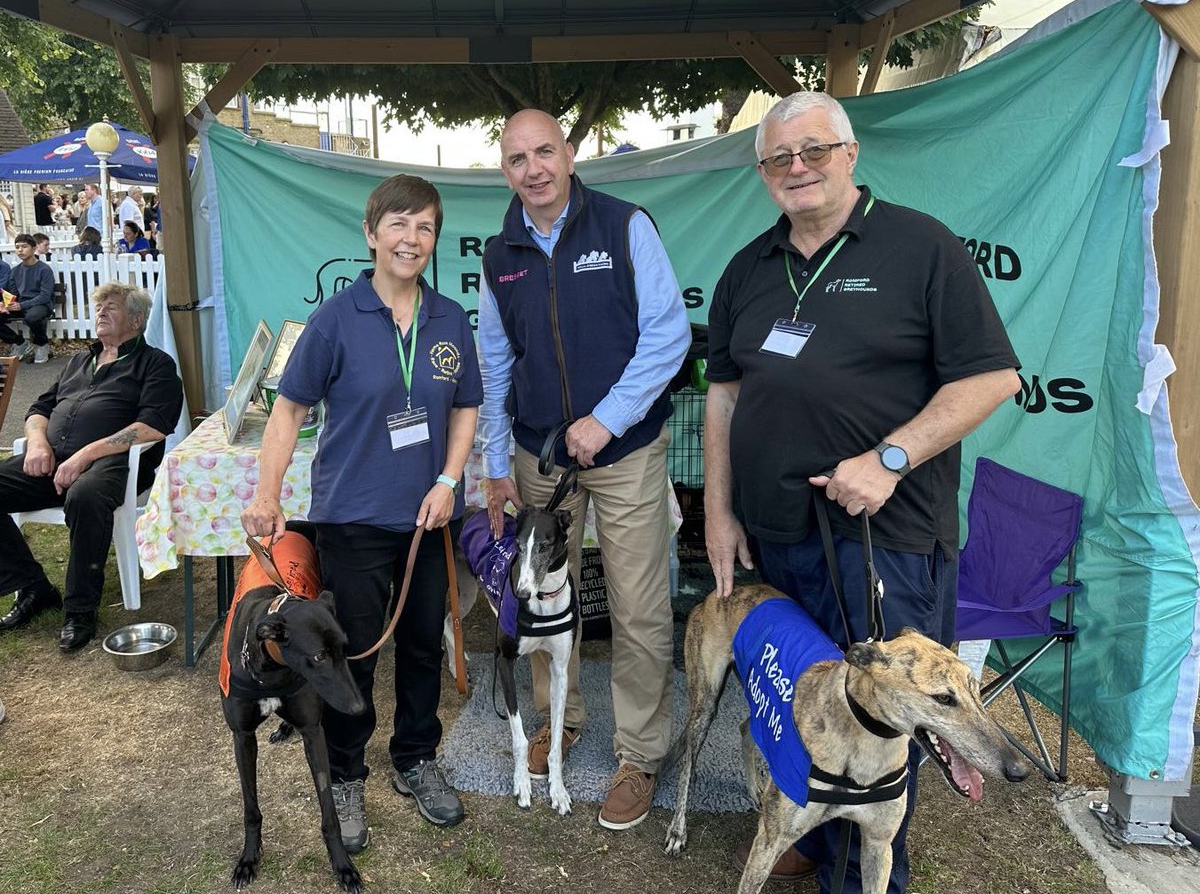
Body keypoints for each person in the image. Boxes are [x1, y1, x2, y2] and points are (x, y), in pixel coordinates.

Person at [704, 91, 1021, 894]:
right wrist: (718, 509)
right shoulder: (748, 267)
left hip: (884, 540)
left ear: (850, 154)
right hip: (777, 536)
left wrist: (890, 457)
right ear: (762, 171)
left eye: (814, 149)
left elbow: (992, 378)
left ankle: (861, 876)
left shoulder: (922, 247)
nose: (797, 167)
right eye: (779, 157)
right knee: (801, 700)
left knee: (883, 716)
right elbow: (725, 397)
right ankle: (813, 836)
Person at [241, 174, 481, 851]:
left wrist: (449, 479)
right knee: (352, 652)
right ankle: (347, 773)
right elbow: (288, 410)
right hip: (353, 517)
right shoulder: (335, 319)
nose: (412, 238)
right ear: (371, 233)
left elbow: (466, 406)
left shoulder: (449, 319)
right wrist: (267, 492)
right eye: (399, 224)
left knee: (422, 645)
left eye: (425, 227)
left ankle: (415, 757)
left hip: (430, 518)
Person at [479, 109, 690, 831]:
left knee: (638, 605)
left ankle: (640, 753)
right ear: (504, 171)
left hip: (624, 450)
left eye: (545, 152)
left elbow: (668, 334)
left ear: (569, 155)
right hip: (539, 457)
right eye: (517, 159)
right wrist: (495, 465)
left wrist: (608, 418)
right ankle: (559, 719)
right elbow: (494, 363)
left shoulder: (625, 225)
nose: (533, 169)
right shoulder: (500, 254)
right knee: (541, 599)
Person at [0, 283, 182, 651]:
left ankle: (80, 610)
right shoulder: (78, 362)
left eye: (111, 307)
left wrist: (85, 455)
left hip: (112, 464)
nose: (101, 313)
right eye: (99, 307)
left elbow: (152, 426)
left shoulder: (156, 365)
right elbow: (39, 409)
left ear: (136, 320)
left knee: (85, 495)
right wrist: (38, 443)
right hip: (52, 459)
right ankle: (33, 586)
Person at [0, 234, 56, 364]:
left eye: (24, 247)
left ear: (34, 248)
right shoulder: (15, 271)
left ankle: (42, 344)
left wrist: (21, 305)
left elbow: (45, 296)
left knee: (32, 317)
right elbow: (13, 294)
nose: (20, 250)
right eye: (17, 247)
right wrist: (5, 304)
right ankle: (19, 342)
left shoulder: (44, 270)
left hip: (40, 305)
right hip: (21, 305)